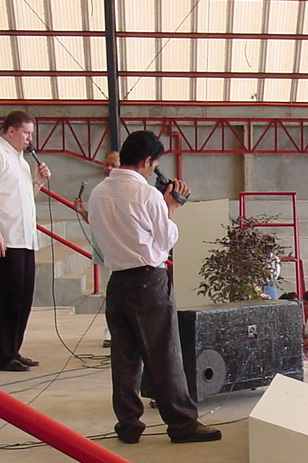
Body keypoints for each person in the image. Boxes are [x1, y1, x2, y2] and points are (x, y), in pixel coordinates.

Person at [88, 129, 220, 444]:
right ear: (148, 161)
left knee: (124, 358)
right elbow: (165, 240)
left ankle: (129, 424)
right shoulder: (147, 195)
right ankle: (182, 424)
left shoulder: (98, 193)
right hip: (148, 279)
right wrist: (171, 207)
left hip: (117, 280)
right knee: (164, 355)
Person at [0, 110, 51, 372]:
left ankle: (14, 349)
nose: (30, 139)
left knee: (22, 297)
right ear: (11, 131)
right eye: (26, 133)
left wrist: (38, 183)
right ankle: (3, 356)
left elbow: (20, 197)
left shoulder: (21, 161)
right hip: (4, 238)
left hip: (24, 238)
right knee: (6, 298)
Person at [73, 150, 120, 223]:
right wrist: (82, 211)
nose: (109, 168)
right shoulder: (99, 190)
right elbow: (95, 222)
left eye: (113, 166)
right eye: (107, 165)